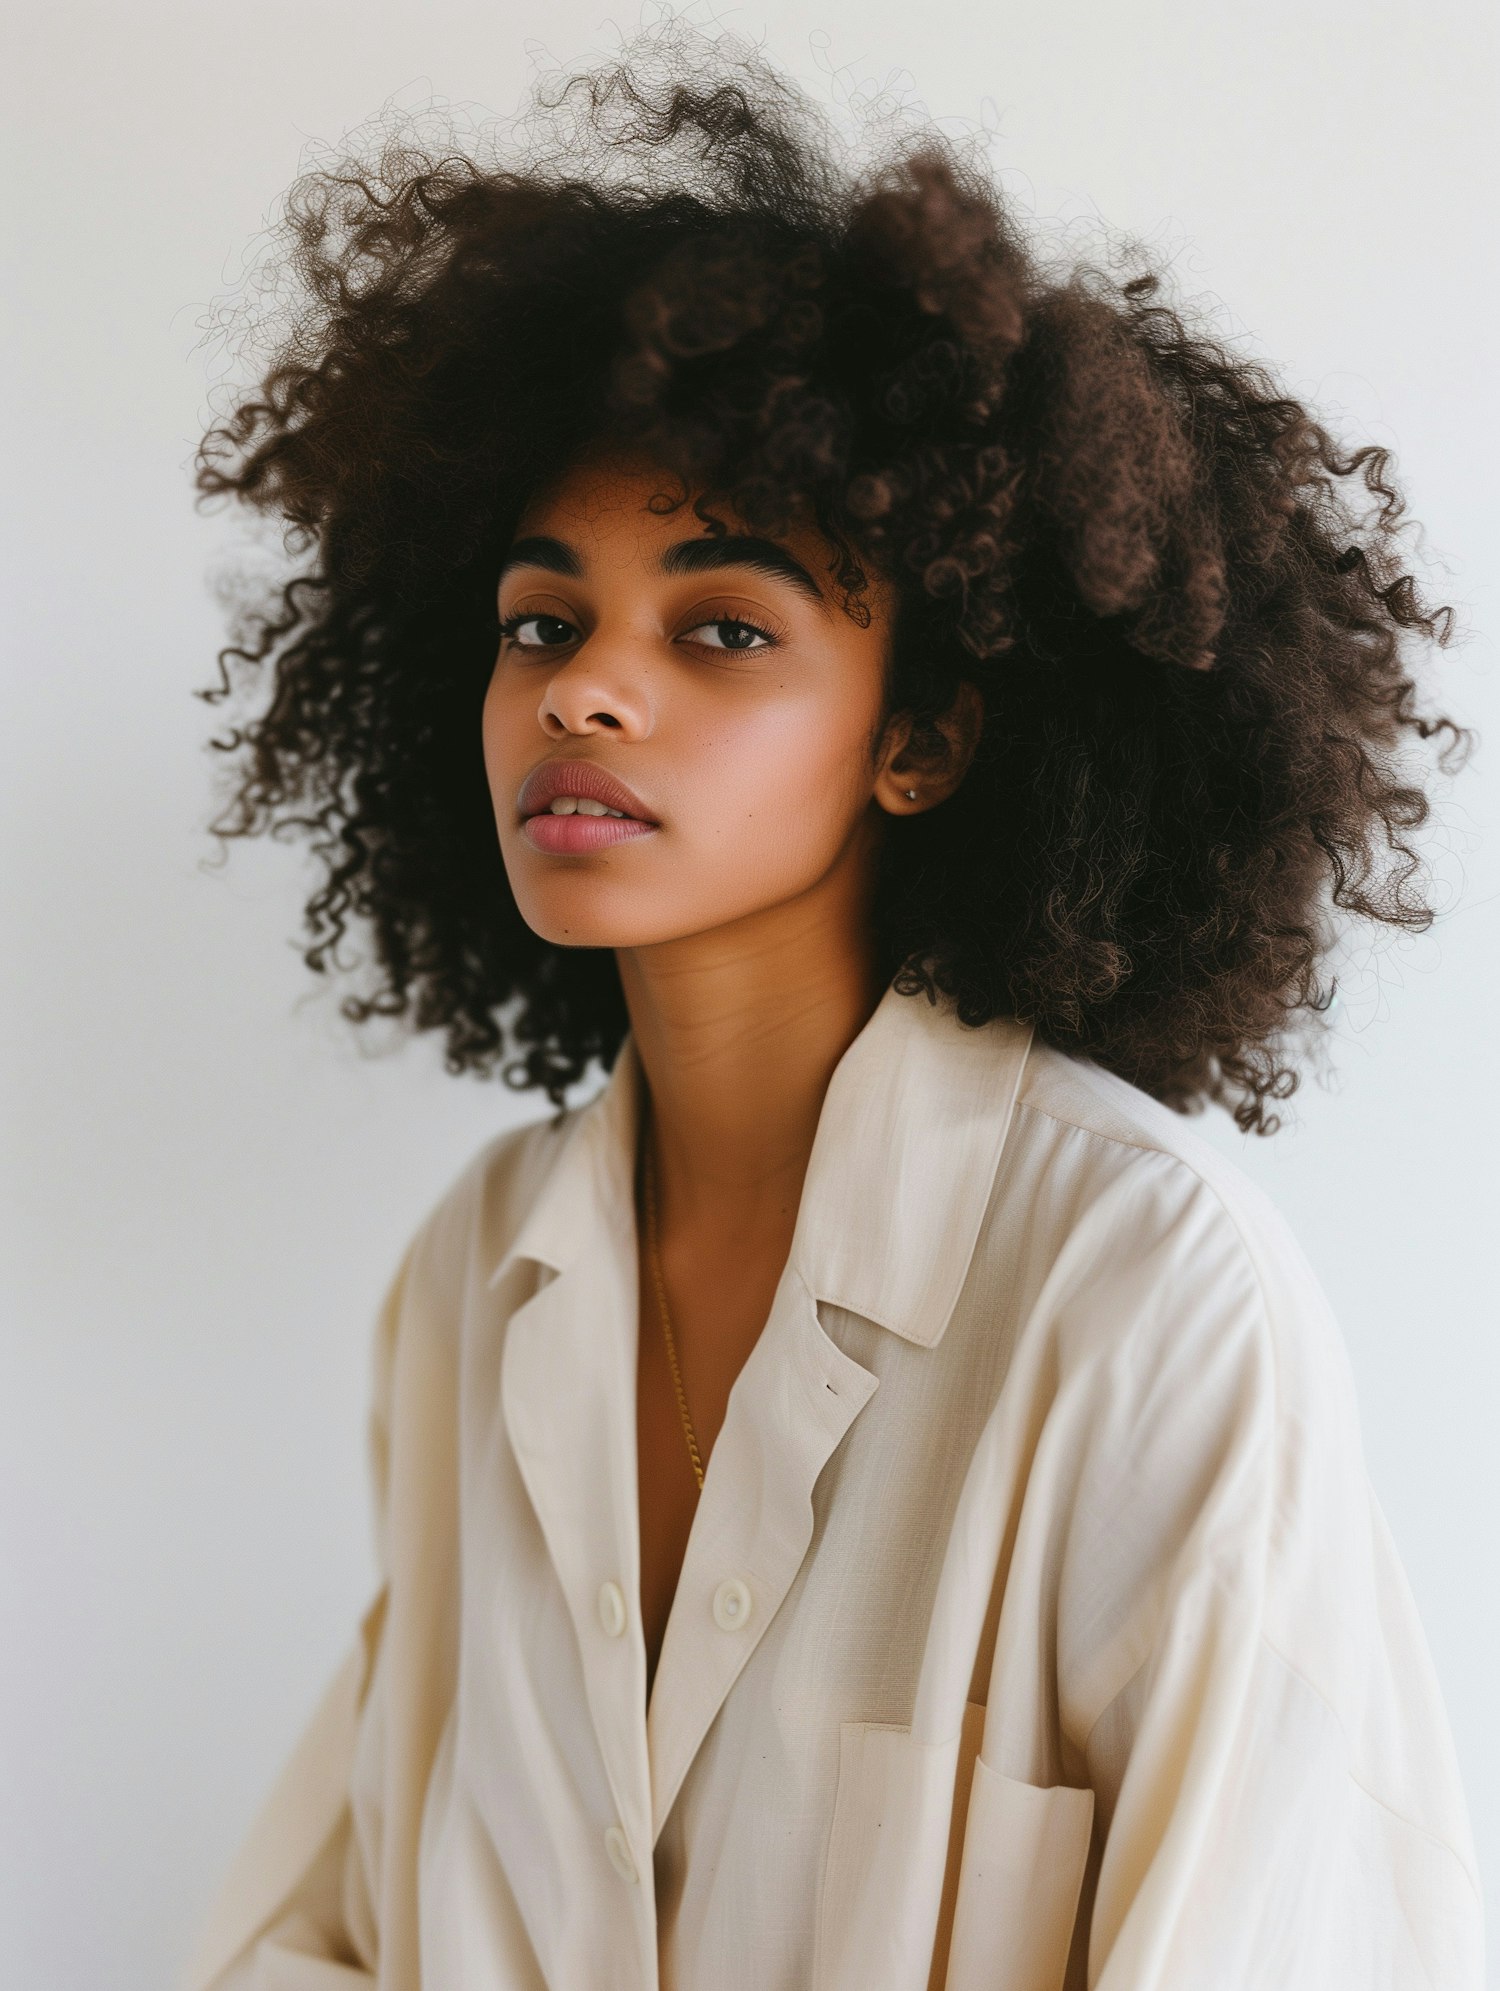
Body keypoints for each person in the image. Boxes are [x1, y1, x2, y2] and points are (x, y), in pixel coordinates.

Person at [180, 22, 1483, 1990]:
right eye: (544, 621)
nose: (585, 692)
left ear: (930, 735)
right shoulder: (476, 1278)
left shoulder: (1143, 1296)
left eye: (721, 626)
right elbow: (333, 1927)